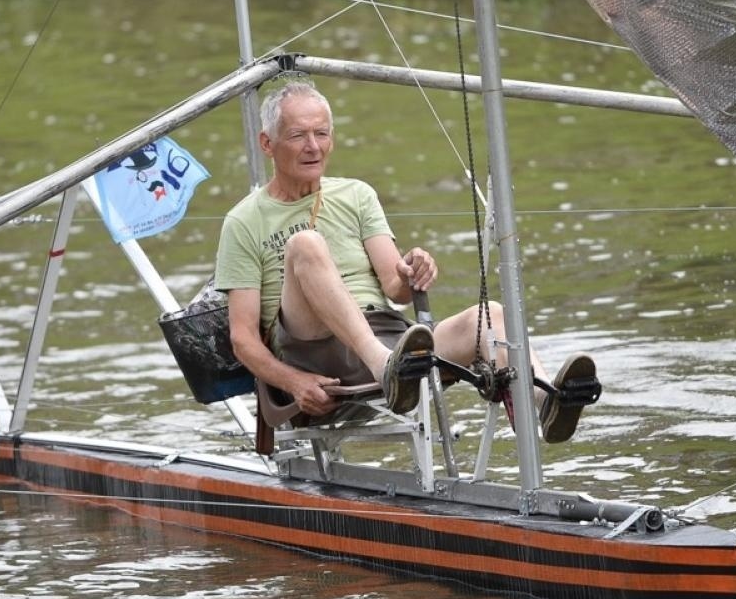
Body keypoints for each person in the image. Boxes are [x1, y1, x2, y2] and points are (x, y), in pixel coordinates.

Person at [214, 78, 597, 441]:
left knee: (490, 315)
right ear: (267, 143)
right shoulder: (244, 220)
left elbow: (396, 289)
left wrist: (413, 268)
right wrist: (293, 383)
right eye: (298, 135)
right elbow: (243, 338)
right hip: (313, 351)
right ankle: (386, 368)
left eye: (322, 133)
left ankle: (545, 403)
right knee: (306, 244)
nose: (313, 146)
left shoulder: (357, 194)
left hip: (388, 340)